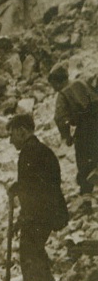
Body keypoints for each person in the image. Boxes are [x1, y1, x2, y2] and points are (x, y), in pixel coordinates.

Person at [7, 113, 68, 281]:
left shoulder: (28, 153)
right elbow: (38, 182)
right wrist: (20, 187)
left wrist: (24, 216)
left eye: (12, 134)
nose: (10, 140)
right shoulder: (42, 150)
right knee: (36, 248)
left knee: (28, 250)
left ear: (21, 131)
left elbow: (32, 189)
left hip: (39, 212)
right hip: (51, 211)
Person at [49, 64, 98, 195]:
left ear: (56, 81)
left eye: (52, 84)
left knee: (83, 159)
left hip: (85, 127)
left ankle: (86, 191)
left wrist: (66, 137)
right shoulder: (81, 82)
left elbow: (60, 118)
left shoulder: (63, 94)